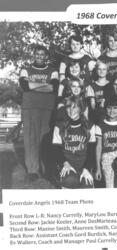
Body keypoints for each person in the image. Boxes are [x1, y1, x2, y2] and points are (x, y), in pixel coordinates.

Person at [19, 44, 59, 181]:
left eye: (42, 54)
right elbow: (24, 86)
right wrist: (43, 85)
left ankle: (45, 169)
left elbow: (53, 88)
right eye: (37, 54)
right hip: (29, 107)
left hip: (47, 107)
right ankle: (32, 170)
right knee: (30, 139)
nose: (39, 57)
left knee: (44, 139)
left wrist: (32, 86)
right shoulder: (25, 69)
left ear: (46, 56)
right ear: (34, 55)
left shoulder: (53, 70)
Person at [52, 96, 95, 188]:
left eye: (74, 107)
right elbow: (56, 150)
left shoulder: (90, 126)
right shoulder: (59, 126)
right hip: (67, 165)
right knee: (70, 180)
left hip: (84, 165)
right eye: (68, 107)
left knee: (87, 184)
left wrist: (87, 169)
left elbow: (92, 151)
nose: (71, 110)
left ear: (81, 109)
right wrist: (65, 163)